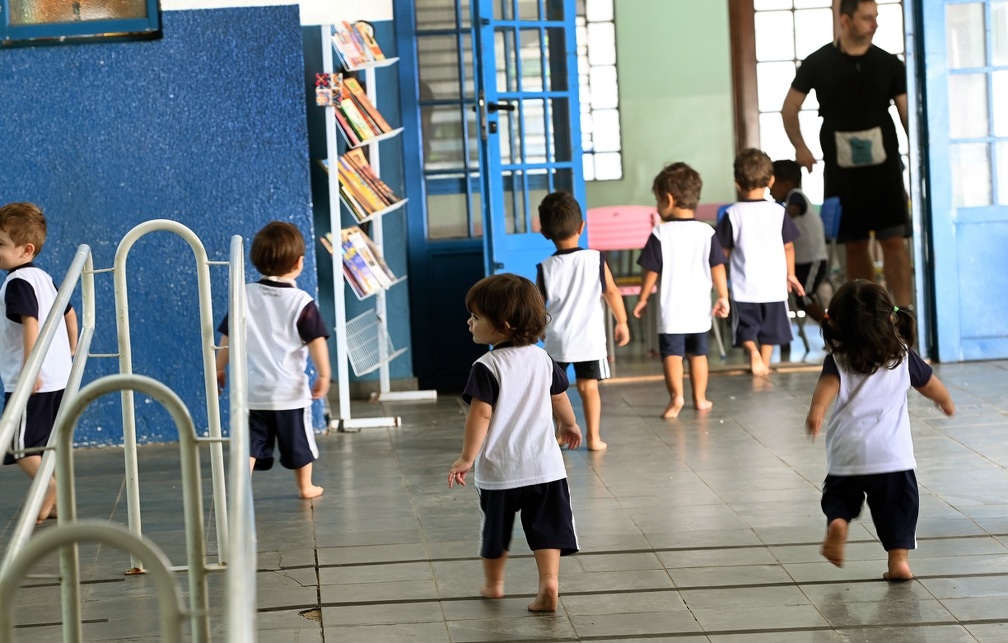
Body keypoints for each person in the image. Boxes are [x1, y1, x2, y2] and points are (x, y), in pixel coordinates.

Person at [448, 273, 581, 613]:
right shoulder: (543, 359)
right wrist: (570, 424)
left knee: (495, 531)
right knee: (548, 530)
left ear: (503, 325)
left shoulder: (486, 366)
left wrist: (466, 457)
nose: (470, 321)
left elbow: (480, 416)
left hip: (501, 472)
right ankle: (549, 581)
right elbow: (559, 397)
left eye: (476, 317)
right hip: (545, 468)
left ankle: (494, 584)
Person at [805, 279, 955, 580]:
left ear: (835, 323)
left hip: (847, 453)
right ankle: (898, 561)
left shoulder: (838, 359)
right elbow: (929, 384)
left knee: (839, 496)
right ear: (890, 318)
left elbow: (826, 388)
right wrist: (945, 400)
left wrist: (817, 411)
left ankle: (839, 521)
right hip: (892, 455)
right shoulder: (901, 355)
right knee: (898, 508)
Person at [781, 0, 912, 308]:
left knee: (893, 241)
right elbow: (789, 108)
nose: (874, 23)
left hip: (885, 171)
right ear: (846, 20)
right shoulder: (817, 63)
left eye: (876, 17)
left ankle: (904, 314)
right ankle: (869, 315)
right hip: (841, 173)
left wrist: (921, 156)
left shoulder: (890, 64)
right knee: (854, 245)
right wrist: (800, 146)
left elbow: (907, 116)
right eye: (867, 18)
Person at [216, 221, 330, 500]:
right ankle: (305, 487)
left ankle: (239, 488)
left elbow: (228, 336)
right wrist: (324, 375)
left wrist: (220, 367)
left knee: (250, 444)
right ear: (299, 263)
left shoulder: (243, 294)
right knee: (298, 443)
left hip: (251, 391)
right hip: (288, 392)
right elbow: (316, 341)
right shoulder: (301, 301)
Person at [0, 202, 77, 524]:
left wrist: (32, 369)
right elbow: (70, 315)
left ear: (25, 249)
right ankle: (57, 502)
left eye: (1, 245)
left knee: (16, 446)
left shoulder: (18, 282)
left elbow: (30, 321)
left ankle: (49, 490)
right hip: (57, 377)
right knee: (39, 443)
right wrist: (70, 354)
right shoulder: (44, 278)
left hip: (32, 379)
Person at [632, 163, 730, 418]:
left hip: (671, 310)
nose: (656, 207)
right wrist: (723, 296)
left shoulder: (660, 233)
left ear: (669, 199)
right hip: (699, 310)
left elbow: (651, 271)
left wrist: (642, 298)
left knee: (673, 356)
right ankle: (700, 398)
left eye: (657, 200)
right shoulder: (707, 232)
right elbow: (718, 266)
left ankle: (677, 397)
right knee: (699, 355)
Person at [536, 191, 628, 450]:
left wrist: (540, 331)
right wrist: (622, 321)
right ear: (581, 226)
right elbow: (611, 291)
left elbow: (537, 305)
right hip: (590, 340)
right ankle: (594, 438)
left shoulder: (545, 267)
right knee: (589, 388)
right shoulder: (595, 259)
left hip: (558, 340)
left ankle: (557, 435)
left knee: (555, 392)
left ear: (545, 233)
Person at [715, 149, 805, 376]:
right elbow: (788, 246)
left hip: (745, 287)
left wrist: (718, 278)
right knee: (771, 330)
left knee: (746, 328)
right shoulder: (778, 212)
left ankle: (752, 353)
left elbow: (722, 253)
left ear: (737, 183)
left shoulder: (732, 214)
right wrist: (790, 274)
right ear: (771, 180)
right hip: (774, 286)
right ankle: (763, 362)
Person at [771, 159, 828, 323]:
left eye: (773, 184)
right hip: (803, 260)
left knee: (804, 297)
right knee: (800, 296)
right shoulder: (790, 197)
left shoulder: (796, 195)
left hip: (813, 259)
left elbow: (792, 211)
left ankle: (833, 328)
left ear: (786, 184)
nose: (769, 190)